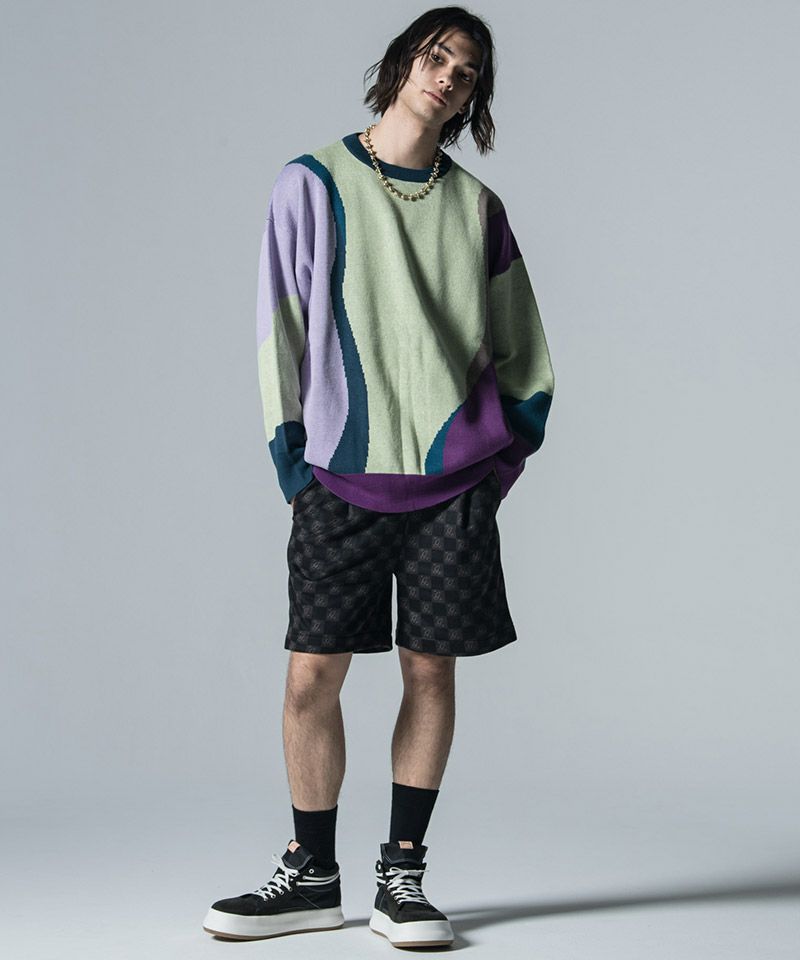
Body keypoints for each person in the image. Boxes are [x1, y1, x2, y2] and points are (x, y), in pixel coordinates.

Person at [203, 5, 554, 949]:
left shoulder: (477, 209)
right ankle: (311, 875)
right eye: (437, 56)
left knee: (429, 671)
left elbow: (525, 355)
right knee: (311, 677)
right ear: (402, 62)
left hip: (451, 486)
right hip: (339, 478)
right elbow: (280, 326)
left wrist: (494, 467)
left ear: (473, 98)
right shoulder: (312, 183)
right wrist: (295, 464)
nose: (447, 76)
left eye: (466, 72)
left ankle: (403, 877)